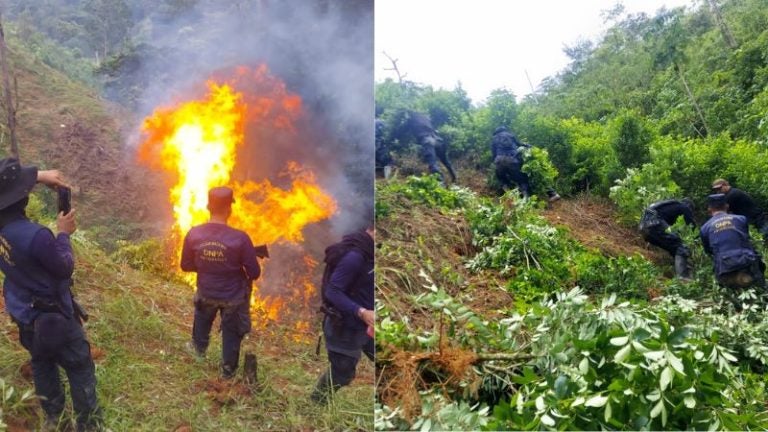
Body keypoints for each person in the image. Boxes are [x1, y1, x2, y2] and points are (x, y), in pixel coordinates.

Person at [0, 158, 102, 431]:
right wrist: (64, 234)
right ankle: (88, 425)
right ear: (22, 197)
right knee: (79, 365)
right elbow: (64, 267)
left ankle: (54, 418)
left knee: (41, 361)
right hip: (52, 317)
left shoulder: (6, 230)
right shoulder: (37, 237)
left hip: (23, 311)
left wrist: (38, 175)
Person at [180, 186, 262, 379]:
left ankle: (198, 352)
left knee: (202, 320)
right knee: (231, 334)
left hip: (206, 293)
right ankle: (227, 371)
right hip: (232, 299)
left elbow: (185, 265)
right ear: (229, 209)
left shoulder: (194, 233)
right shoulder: (240, 238)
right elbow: (254, 272)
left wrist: (207, 267)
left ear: (208, 207)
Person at [310, 224, 374, 404]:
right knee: (343, 372)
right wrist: (361, 312)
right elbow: (333, 291)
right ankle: (317, 401)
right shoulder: (354, 257)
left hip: (369, 325)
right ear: (373, 229)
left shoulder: (372, 252)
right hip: (345, 327)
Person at [700, 193, 766, 310]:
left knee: (732, 297)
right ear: (727, 206)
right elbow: (745, 238)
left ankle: (736, 306)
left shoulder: (705, 228)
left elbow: (708, 251)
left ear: (709, 209)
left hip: (725, 270)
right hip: (746, 263)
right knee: (761, 287)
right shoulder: (740, 219)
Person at [491, 126, 560, 201]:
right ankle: (525, 198)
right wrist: (528, 146)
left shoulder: (494, 138)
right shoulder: (510, 135)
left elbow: (493, 153)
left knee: (502, 178)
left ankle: (509, 195)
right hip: (512, 160)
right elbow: (519, 143)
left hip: (499, 160)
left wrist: (497, 162)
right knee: (522, 179)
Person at [639, 198, 696, 279]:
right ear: (689, 207)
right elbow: (692, 226)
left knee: (674, 247)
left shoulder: (669, 206)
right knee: (681, 247)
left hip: (643, 227)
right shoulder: (684, 206)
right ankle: (683, 279)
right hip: (655, 224)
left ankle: (676, 271)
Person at [404, 111, 457, 184]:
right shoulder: (425, 118)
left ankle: (440, 184)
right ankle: (454, 177)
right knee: (445, 161)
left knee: (432, 164)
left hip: (427, 141)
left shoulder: (410, 120)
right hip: (438, 140)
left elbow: (402, 130)